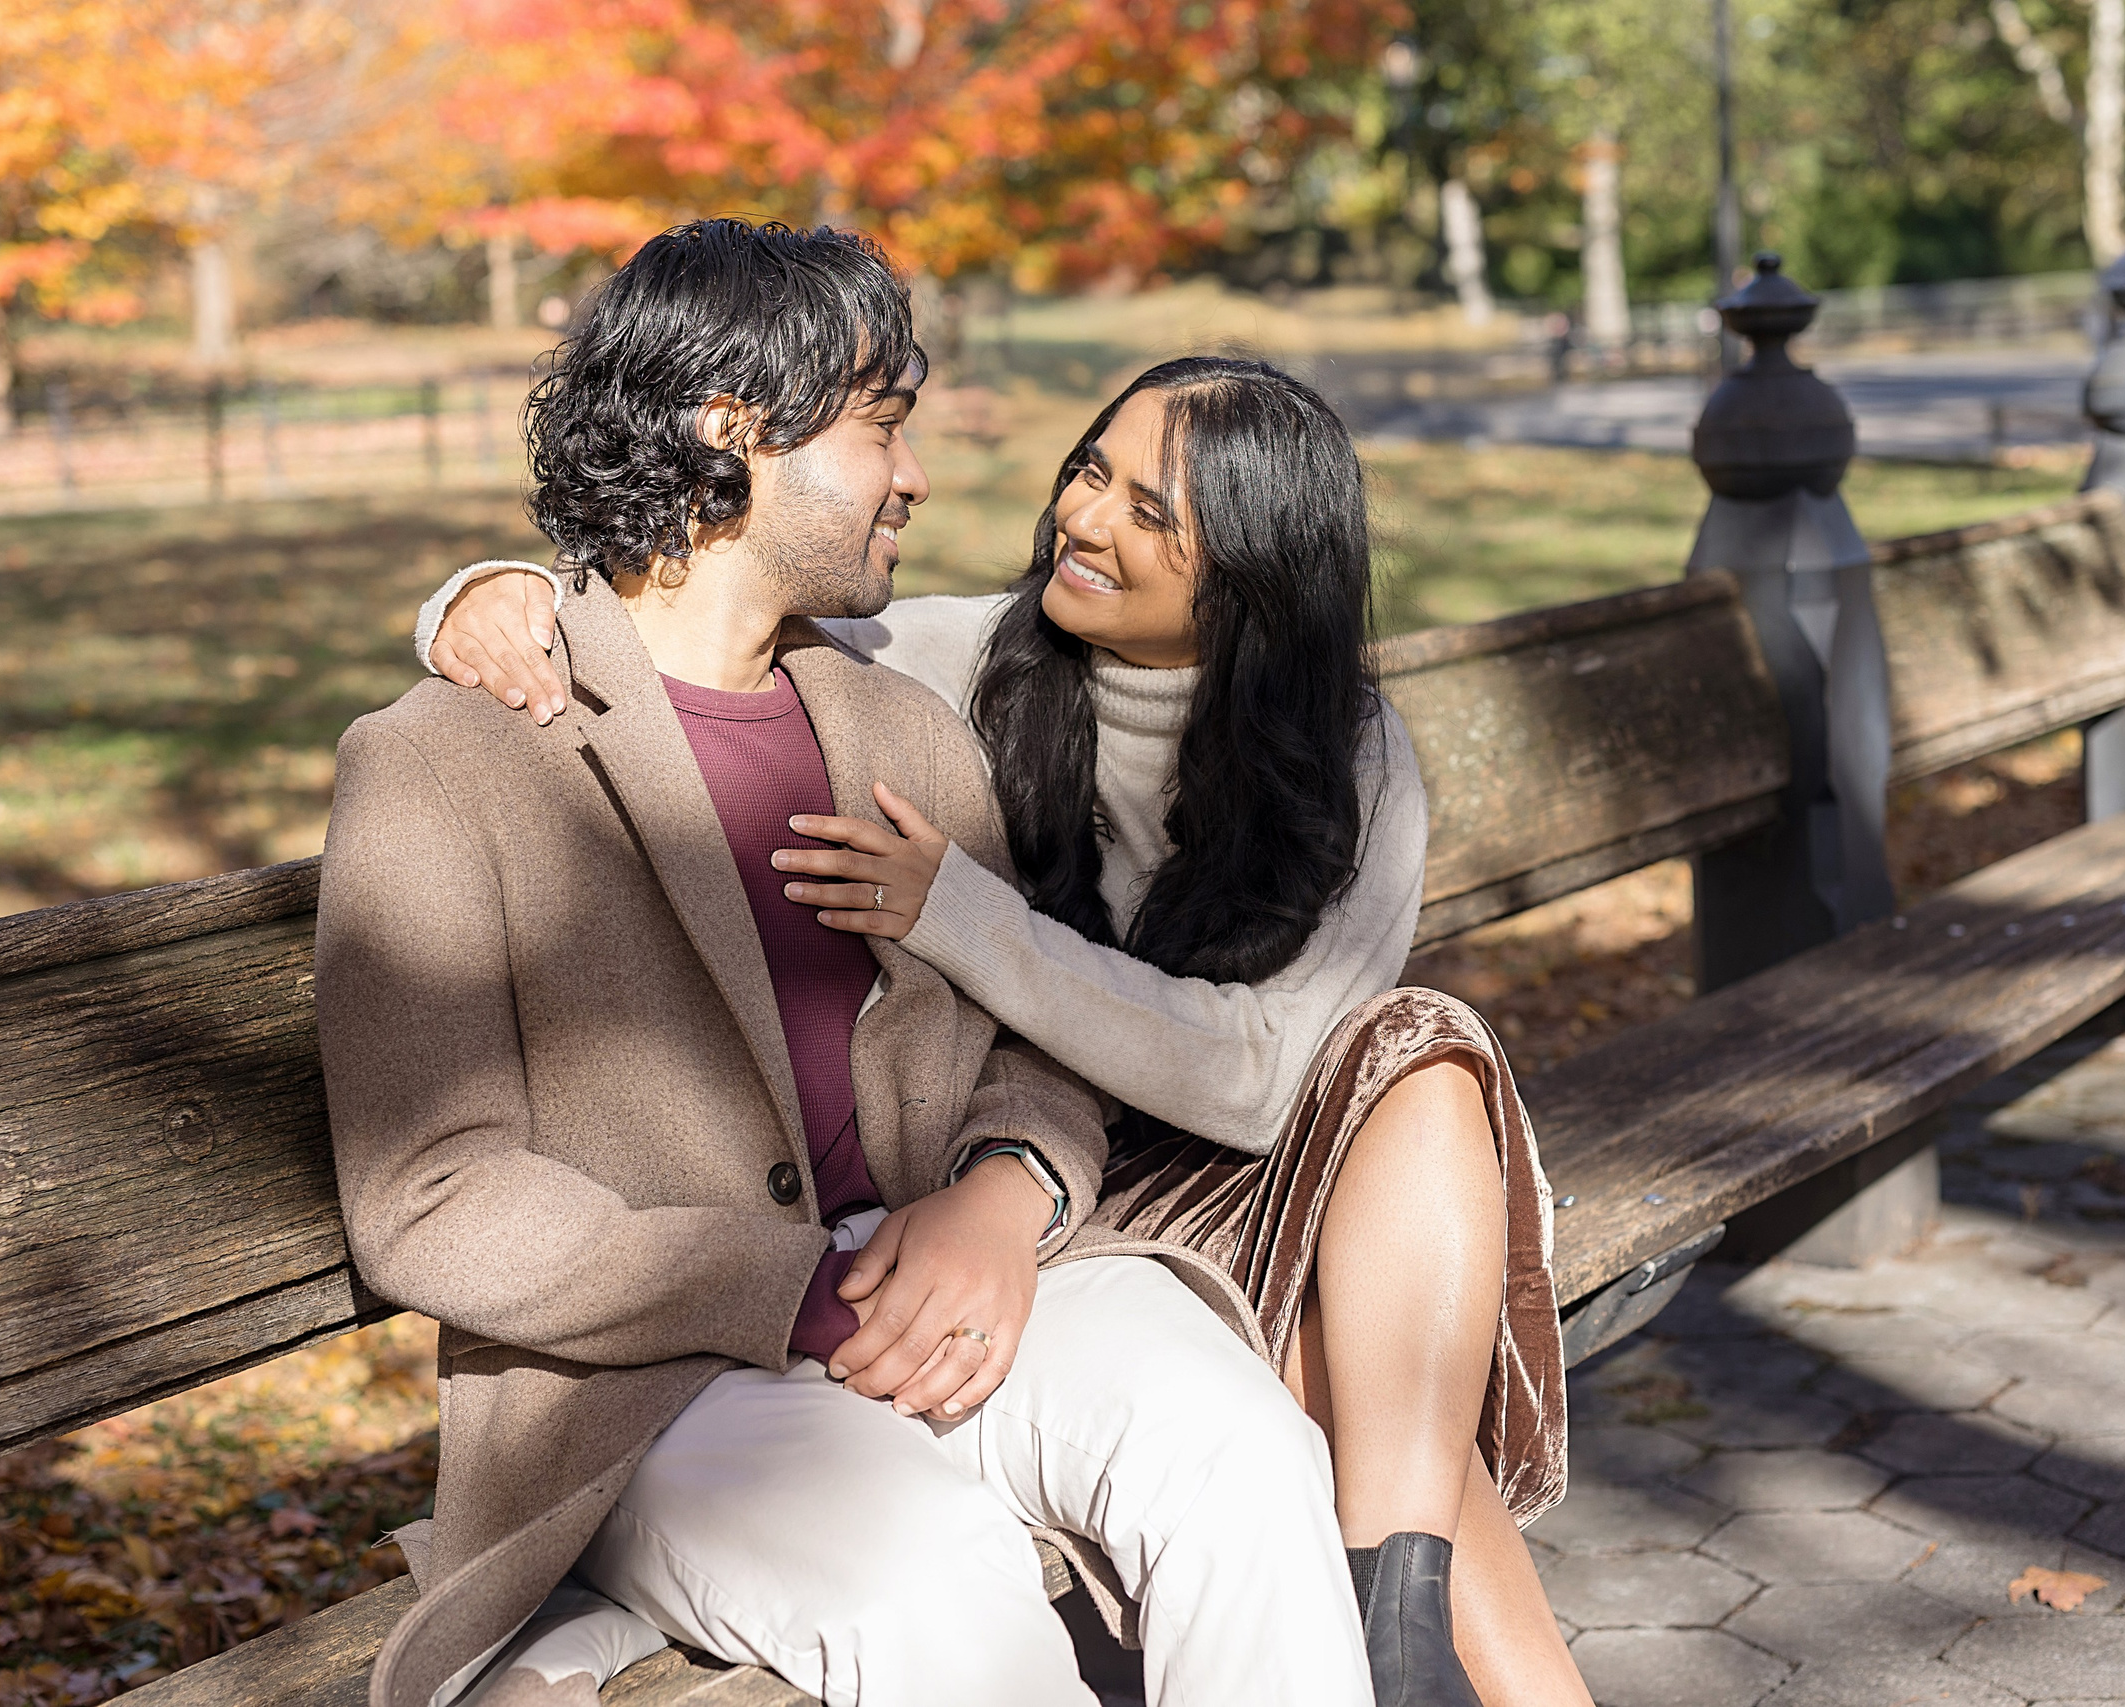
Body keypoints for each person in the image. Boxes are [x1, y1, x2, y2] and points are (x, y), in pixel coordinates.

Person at [424, 352, 1596, 1707]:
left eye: (1153, 514)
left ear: (1260, 575)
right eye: (1091, 471)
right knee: (1370, 1389)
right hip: (1056, 1190)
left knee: (1424, 1052)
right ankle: (1396, 1633)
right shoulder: (956, 660)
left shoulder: (1352, 756)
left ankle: (1391, 1631)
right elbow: (697, 624)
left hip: (1218, 1158)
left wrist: (963, 917)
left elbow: (1268, 1078)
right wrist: (488, 595)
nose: (1087, 521)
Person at [316, 219, 1374, 1707]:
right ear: (730, 430)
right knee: (938, 1579)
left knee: (1246, 1449)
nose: (921, 476)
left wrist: (1008, 1202)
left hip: (947, 1286)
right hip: (650, 1388)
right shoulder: (446, 766)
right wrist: (797, 1290)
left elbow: (1030, 1053)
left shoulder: (905, 730)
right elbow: (430, 1198)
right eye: (884, 425)